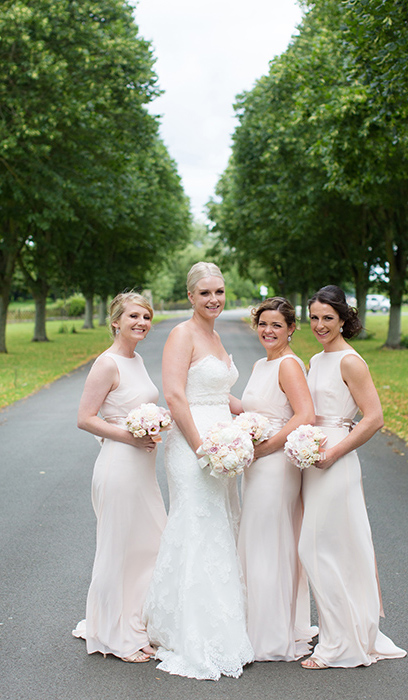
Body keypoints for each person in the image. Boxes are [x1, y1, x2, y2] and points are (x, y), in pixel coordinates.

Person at [143, 262, 254, 680]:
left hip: (224, 444)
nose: (214, 300)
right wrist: (201, 448)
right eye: (205, 293)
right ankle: (193, 630)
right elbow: (175, 395)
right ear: (190, 296)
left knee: (224, 523)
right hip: (194, 448)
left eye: (220, 292)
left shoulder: (216, 335)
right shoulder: (182, 334)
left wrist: (260, 418)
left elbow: (223, 394)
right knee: (198, 524)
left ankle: (225, 617)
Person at [299, 285, 406, 669]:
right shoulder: (314, 359)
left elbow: (374, 418)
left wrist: (333, 453)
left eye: (328, 318)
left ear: (344, 319)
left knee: (314, 548)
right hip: (313, 461)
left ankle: (339, 645)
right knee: (330, 548)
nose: (320, 325)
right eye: (314, 317)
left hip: (336, 461)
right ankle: (342, 632)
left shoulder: (350, 361)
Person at [72, 292, 167, 663]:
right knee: (119, 550)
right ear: (115, 321)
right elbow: (85, 417)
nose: (141, 322)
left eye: (146, 317)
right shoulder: (106, 363)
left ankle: (134, 624)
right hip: (118, 467)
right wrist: (132, 435)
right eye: (133, 316)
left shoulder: (137, 359)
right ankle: (114, 635)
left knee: (149, 547)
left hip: (142, 471)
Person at [238, 297, 318, 661]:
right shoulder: (260, 364)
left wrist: (267, 447)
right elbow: (254, 408)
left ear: (290, 329)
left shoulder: (289, 364)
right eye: (263, 324)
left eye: (276, 325)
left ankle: (270, 635)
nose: (268, 331)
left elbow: (305, 414)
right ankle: (258, 622)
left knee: (270, 541)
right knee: (256, 539)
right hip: (255, 464)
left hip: (275, 464)